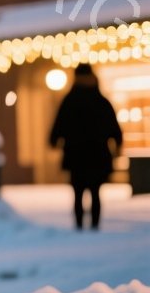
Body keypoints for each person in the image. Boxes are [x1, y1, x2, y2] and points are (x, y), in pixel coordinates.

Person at [48, 63, 121, 231]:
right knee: (95, 192)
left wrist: (54, 140)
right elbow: (114, 128)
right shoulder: (101, 101)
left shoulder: (70, 100)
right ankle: (94, 225)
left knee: (78, 192)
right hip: (97, 154)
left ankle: (80, 225)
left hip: (76, 155)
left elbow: (59, 125)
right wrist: (117, 145)